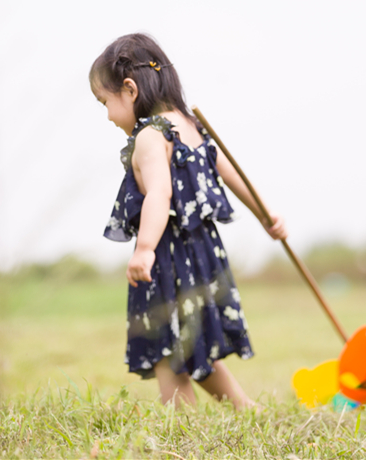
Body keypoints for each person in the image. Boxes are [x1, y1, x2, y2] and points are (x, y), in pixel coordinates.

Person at [89, 33, 287, 410]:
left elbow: (159, 194)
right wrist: (266, 215)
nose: (109, 116)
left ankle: (181, 425)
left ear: (129, 89)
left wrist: (145, 248)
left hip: (168, 255)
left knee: (167, 341)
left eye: (105, 102)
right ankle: (246, 409)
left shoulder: (151, 135)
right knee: (191, 341)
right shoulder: (193, 126)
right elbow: (233, 175)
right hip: (203, 255)